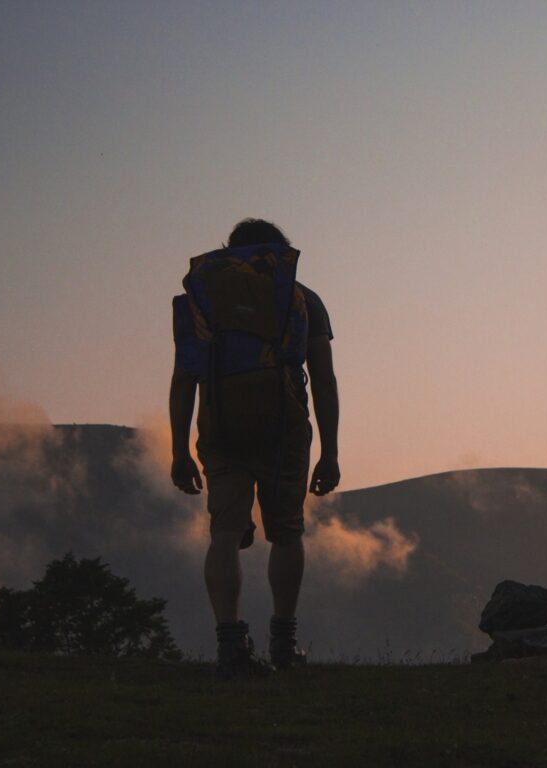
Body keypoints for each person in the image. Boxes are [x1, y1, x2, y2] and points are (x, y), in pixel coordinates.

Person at [168, 218, 340, 676]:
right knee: (286, 532)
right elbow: (323, 379)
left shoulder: (206, 299)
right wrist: (330, 450)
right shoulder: (300, 299)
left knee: (223, 533)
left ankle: (230, 647)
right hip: (282, 425)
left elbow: (185, 377)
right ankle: (283, 646)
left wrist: (179, 449)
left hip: (220, 423)